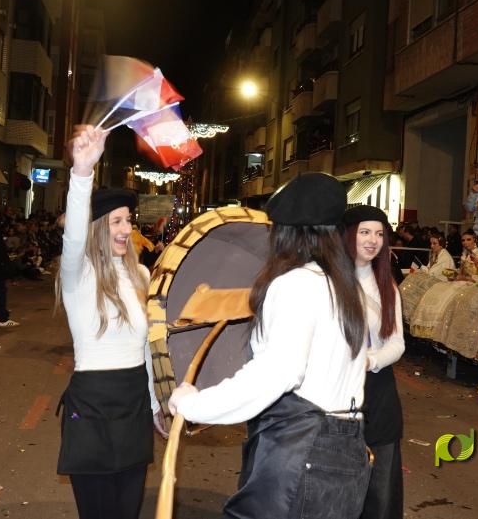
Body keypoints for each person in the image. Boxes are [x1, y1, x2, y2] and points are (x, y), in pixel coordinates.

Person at [169, 171, 371, 518]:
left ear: (286, 234)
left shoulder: (295, 284)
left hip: (301, 450)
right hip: (346, 447)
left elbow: (276, 373)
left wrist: (194, 404)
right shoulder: (347, 287)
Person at [56, 125, 167, 519]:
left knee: (127, 509)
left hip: (134, 399)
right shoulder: (78, 274)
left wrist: (154, 405)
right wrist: (82, 171)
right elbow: (72, 237)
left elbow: (146, 346)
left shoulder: (140, 275)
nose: (126, 229)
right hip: (92, 402)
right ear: (97, 226)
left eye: (128, 220)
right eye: (116, 221)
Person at [342, 205, 405, 519]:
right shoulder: (327, 280)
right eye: (365, 232)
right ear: (348, 234)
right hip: (337, 390)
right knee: (339, 478)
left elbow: (397, 342)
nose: (373, 240)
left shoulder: (386, 285)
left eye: (379, 234)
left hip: (378, 390)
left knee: (380, 486)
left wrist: (371, 361)